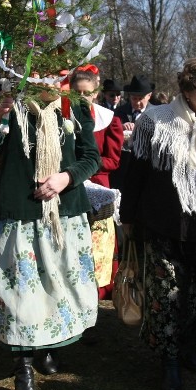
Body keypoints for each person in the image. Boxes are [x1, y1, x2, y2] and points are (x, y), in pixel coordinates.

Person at [0, 77, 100, 390]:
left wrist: (65, 178)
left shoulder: (76, 106)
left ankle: (48, 345)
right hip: (18, 213)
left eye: (55, 67)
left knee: (57, 289)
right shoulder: (10, 104)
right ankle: (23, 369)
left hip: (63, 215)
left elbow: (91, 157)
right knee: (19, 295)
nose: (47, 76)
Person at [120, 58, 196, 390]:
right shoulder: (155, 121)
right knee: (167, 295)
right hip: (163, 226)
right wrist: (128, 219)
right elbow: (136, 175)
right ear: (186, 89)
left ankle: (190, 345)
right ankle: (169, 360)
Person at [71, 65, 124, 299]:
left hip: (97, 186)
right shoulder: (64, 117)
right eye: (76, 93)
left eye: (86, 93)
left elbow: (113, 160)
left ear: (95, 92)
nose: (81, 98)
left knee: (100, 238)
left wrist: (87, 162)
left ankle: (101, 284)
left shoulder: (108, 119)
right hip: (70, 183)